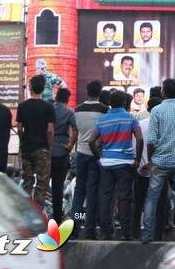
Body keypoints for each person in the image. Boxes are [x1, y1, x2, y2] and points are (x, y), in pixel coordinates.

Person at [142, 79, 175, 243]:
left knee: (152, 197)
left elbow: (150, 141)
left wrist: (151, 160)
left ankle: (148, 234)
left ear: (163, 92)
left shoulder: (157, 111)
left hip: (159, 161)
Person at [89, 90, 142, 241]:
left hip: (106, 164)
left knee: (106, 198)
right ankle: (126, 233)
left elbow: (91, 141)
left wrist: (98, 158)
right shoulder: (131, 118)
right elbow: (140, 139)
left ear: (110, 103)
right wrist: (137, 159)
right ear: (125, 103)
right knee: (125, 198)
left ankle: (106, 232)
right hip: (125, 163)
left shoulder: (102, 120)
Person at [71, 80, 109, 239]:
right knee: (92, 192)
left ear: (87, 91)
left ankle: (74, 227)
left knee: (79, 191)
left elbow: (77, 131)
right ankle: (89, 230)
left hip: (80, 153)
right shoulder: (104, 110)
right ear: (100, 92)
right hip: (96, 155)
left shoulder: (77, 109)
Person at [131, 95, 168, 242]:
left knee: (138, 203)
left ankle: (134, 233)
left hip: (141, 170)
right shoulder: (165, 126)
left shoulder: (139, 124)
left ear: (147, 109)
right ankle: (158, 234)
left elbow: (135, 147)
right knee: (160, 204)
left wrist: (140, 164)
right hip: (160, 169)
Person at [17, 75, 56, 204]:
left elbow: (19, 129)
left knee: (27, 181)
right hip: (42, 149)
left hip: (26, 148)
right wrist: (48, 149)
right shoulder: (49, 107)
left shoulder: (22, 106)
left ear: (30, 88)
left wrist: (23, 141)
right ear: (44, 88)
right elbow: (50, 131)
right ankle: (38, 211)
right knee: (42, 183)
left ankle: (26, 210)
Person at [50, 88, 78, 224]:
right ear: (67, 99)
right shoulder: (69, 112)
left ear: (56, 97)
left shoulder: (48, 109)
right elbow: (76, 129)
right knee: (58, 187)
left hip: (47, 152)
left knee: (42, 187)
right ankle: (57, 218)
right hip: (61, 152)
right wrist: (70, 146)